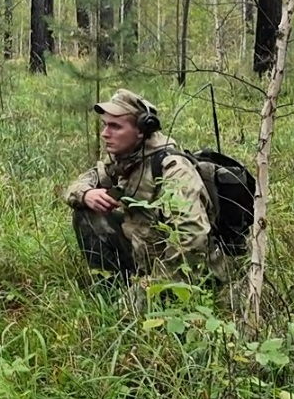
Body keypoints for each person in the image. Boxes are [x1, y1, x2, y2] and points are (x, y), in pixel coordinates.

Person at [64, 88, 227, 296]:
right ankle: (109, 290)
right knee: (86, 213)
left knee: (127, 314)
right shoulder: (125, 157)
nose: (105, 133)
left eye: (115, 127)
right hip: (145, 250)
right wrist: (86, 194)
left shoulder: (173, 168)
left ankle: (133, 298)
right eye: (105, 125)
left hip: (184, 271)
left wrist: (148, 290)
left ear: (142, 130)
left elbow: (191, 241)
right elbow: (81, 182)